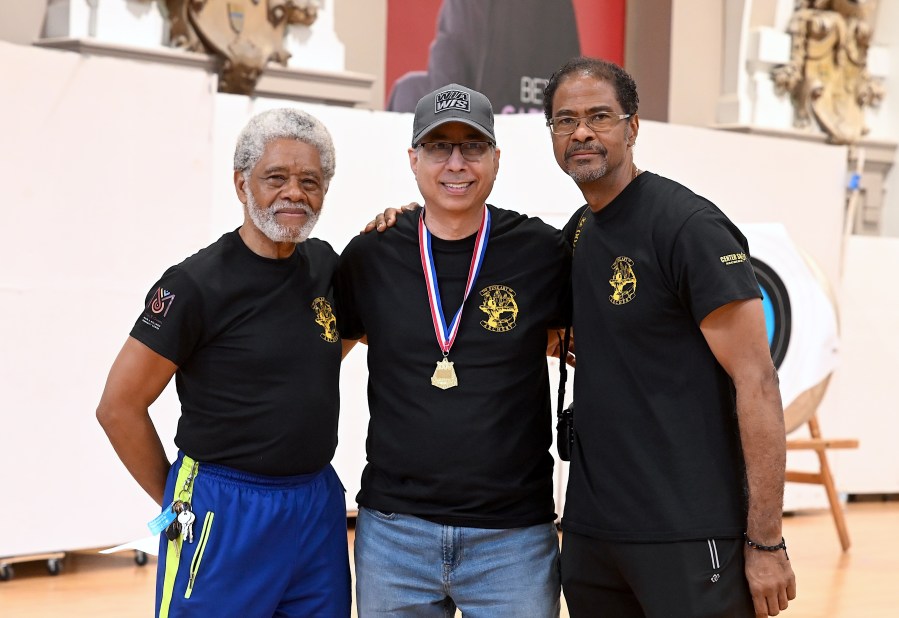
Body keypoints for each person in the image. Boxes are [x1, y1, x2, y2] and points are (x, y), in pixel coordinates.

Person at [544, 57, 797, 617]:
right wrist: (412, 223)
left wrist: (766, 542)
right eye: (565, 120)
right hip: (593, 535)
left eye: (599, 116)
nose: (581, 132)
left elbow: (757, 383)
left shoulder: (688, 227)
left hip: (688, 532)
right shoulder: (579, 232)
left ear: (632, 127)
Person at [96, 108, 351, 617]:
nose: (294, 193)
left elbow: (319, 353)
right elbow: (118, 407)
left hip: (316, 505)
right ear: (241, 184)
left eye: (309, 181)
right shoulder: (194, 285)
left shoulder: (326, 265)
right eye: (275, 178)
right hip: (224, 506)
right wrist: (176, 501)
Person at [336, 83, 570, 617]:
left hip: (513, 539)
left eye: (473, 146)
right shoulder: (371, 254)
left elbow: (572, 339)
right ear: (413, 159)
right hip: (394, 536)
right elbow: (327, 358)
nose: (456, 163)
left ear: (496, 159)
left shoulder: (542, 251)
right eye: (439, 146)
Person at [387, 0, 580, 114]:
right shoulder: (560, 5)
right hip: (544, 126)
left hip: (479, 131)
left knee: (408, 91)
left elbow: (448, 79)